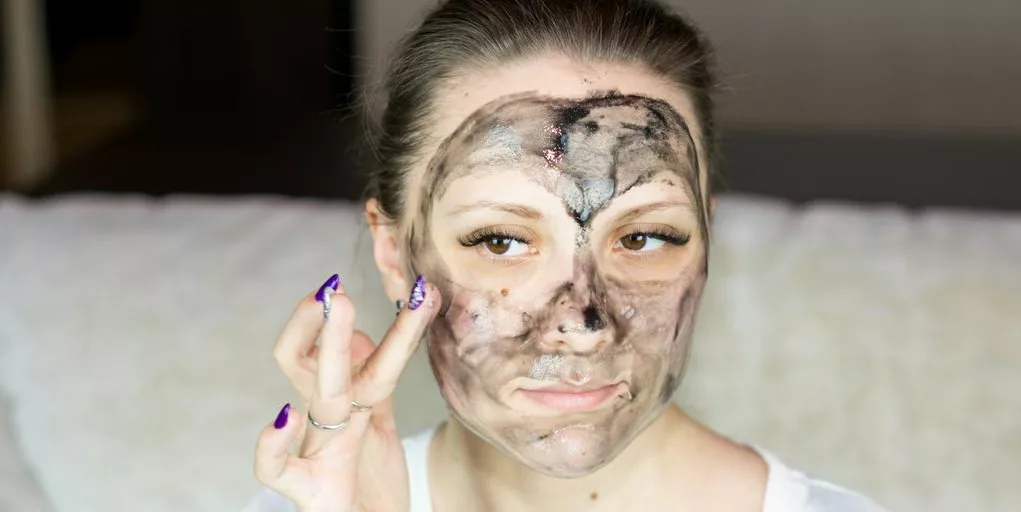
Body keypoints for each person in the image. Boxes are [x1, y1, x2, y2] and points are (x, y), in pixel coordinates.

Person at [245, 0, 887, 510]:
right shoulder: (316, 502)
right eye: (502, 241)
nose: (584, 326)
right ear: (394, 256)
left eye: (643, 238)